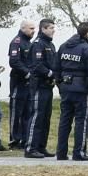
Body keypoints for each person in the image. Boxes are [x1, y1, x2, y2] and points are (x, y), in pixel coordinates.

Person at [55, 22, 88, 161]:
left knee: (65, 120)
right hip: (81, 88)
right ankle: (79, 152)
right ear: (87, 33)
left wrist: (60, 84)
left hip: (65, 87)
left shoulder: (63, 46)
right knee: (81, 121)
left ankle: (61, 152)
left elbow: (56, 68)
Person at [24, 19, 58, 159]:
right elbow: (37, 65)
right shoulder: (38, 44)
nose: (53, 30)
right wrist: (51, 73)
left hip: (48, 86)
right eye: (51, 28)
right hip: (39, 85)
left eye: (53, 28)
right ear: (43, 29)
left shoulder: (50, 44)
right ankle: (30, 148)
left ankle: (41, 146)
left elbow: (53, 63)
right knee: (37, 117)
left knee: (45, 118)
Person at [6, 20, 35, 149]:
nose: (33, 31)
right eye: (31, 28)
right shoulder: (16, 42)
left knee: (27, 112)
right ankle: (14, 140)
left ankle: (25, 139)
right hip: (19, 81)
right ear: (23, 28)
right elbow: (14, 62)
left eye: (34, 28)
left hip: (29, 83)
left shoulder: (29, 43)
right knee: (16, 112)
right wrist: (26, 72)